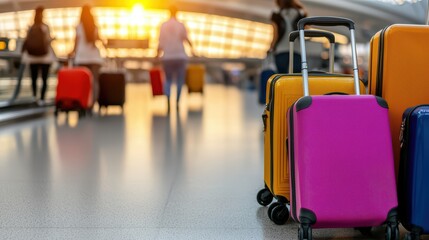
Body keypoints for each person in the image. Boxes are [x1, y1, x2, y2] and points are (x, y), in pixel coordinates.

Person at [156, 5, 195, 111]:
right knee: (179, 80)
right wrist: (193, 51)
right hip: (180, 56)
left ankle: (168, 100)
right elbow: (186, 39)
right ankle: (177, 102)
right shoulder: (181, 25)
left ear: (168, 12)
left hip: (167, 57)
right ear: (177, 13)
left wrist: (157, 54)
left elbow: (160, 42)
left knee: (168, 79)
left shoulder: (163, 26)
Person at [69, 4, 104, 110]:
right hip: (94, 57)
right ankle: (93, 104)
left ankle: (82, 102)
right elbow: (99, 40)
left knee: (82, 82)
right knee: (95, 82)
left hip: (82, 57)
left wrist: (72, 52)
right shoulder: (94, 26)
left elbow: (76, 41)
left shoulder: (79, 26)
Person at [21, 6, 56, 106]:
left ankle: (34, 97)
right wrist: (52, 39)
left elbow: (26, 41)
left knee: (34, 78)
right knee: (44, 79)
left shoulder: (31, 27)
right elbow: (47, 41)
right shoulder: (45, 27)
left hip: (32, 58)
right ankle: (42, 99)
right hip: (45, 57)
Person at [269, 0, 307, 73]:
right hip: (296, 49)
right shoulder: (300, 13)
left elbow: (275, 34)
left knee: (282, 77)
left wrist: (271, 47)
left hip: (281, 50)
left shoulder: (276, 15)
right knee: (296, 77)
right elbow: (305, 31)